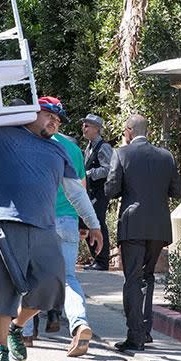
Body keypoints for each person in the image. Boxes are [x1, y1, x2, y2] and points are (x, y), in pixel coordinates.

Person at [0, 67, 103, 361]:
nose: (54, 121)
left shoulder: (57, 151)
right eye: (49, 114)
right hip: (6, 225)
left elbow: (75, 193)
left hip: (46, 229)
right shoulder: (1, 135)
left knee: (50, 286)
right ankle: (0, 348)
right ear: (31, 113)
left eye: (58, 119)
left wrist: (96, 225)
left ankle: (16, 327)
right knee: (0, 290)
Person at [104, 114, 181, 352]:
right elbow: (177, 191)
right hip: (158, 226)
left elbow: (111, 189)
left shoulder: (121, 153)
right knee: (147, 277)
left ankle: (135, 335)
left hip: (133, 225)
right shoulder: (166, 156)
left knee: (132, 279)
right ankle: (146, 330)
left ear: (129, 131)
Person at [22, 132, 94, 357]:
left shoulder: (32, 143)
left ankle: (24, 333)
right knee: (68, 278)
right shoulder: (72, 149)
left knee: (28, 275)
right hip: (68, 221)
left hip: (38, 219)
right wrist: (87, 223)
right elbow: (80, 189)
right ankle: (79, 324)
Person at [81, 114, 113, 271]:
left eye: (87, 126)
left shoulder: (103, 147)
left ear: (97, 129)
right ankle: (97, 258)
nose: (84, 128)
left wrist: (90, 173)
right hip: (90, 192)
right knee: (87, 223)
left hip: (100, 193)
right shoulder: (89, 146)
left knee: (98, 223)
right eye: (84, 125)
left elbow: (109, 169)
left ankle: (102, 261)